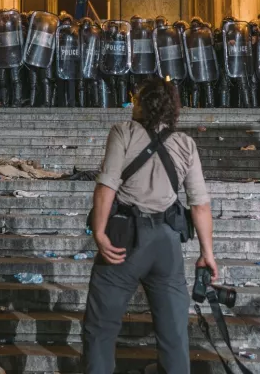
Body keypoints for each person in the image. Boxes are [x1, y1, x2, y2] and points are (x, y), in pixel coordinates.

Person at [83, 78, 216, 374]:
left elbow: (107, 185)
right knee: (174, 334)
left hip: (124, 239)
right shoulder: (185, 143)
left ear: (142, 103)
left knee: (101, 329)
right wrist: (207, 252)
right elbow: (200, 203)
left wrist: (100, 232)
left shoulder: (123, 132)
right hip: (166, 243)